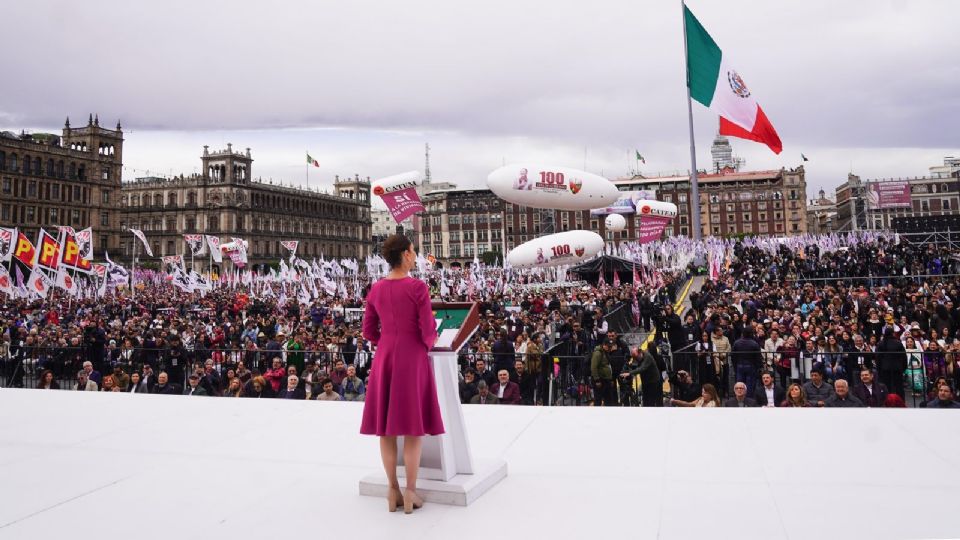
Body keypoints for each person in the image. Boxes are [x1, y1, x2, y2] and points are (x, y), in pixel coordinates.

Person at [359, 235, 444, 514]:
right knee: (411, 429)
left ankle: (392, 489)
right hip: (412, 357)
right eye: (413, 251)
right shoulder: (418, 287)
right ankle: (410, 493)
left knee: (386, 429)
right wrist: (429, 342)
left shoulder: (376, 289)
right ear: (406, 254)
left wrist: (385, 341)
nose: (415, 255)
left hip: (385, 357)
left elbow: (368, 330)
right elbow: (427, 328)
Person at [732, 327, 763, 393]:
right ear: (751, 334)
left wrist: (735, 366)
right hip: (751, 366)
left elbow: (733, 356)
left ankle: (740, 398)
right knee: (750, 384)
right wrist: (758, 367)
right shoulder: (754, 343)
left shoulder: (736, 343)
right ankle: (749, 399)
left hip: (739, 365)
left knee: (740, 384)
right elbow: (758, 357)